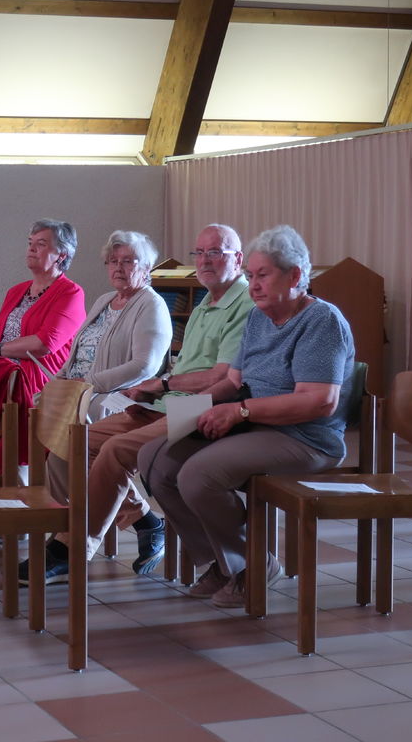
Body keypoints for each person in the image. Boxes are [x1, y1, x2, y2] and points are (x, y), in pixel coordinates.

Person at [22, 223, 253, 585]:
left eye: (215, 253)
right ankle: (140, 521)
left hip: (202, 406)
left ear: (238, 259)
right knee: (72, 445)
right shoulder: (206, 302)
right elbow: (181, 369)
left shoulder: (243, 303)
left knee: (115, 450)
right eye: (199, 253)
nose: (204, 261)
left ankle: (71, 547)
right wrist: (156, 391)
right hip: (167, 402)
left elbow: (222, 378)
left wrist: (161, 384)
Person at [140, 224, 355, 608]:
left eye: (263, 276)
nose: (253, 286)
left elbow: (319, 401)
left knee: (198, 474)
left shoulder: (321, 321)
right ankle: (220, 563)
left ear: (295, 275)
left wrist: (239, 411)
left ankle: (253, 563)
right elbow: (232, 381)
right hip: (254, 423)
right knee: (153, 460)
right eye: (251, 276)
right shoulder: (258, 318)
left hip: (304, 437)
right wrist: (192, 408)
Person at [41, 230, 171, 511]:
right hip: (80, 390)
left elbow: (145, 366)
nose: (118, 267)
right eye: (113, 261)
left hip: (116, 396)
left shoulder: (152, 305)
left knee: (66, 448)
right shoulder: (104, 300)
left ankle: (87, 521)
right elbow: (78, 351)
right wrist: (59, 381)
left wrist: (88, 384)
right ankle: (67, 517)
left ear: (147, 267)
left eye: (128, 261)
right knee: (47, 428)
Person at [0, 219, 86, 477]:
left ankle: (1, 471)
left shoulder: (71, 293)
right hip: (4, 369)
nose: (31, 249)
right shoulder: (17, 291)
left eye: (41, 244)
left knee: (3, 375)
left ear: (62, 255)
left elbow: (44, 344)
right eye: (30, 243)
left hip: (39, 376)